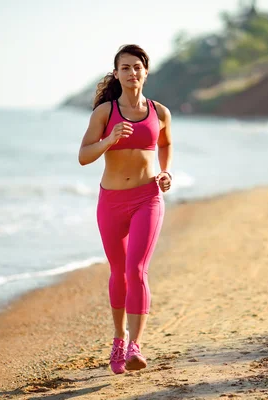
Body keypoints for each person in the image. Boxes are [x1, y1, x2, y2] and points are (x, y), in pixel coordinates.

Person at [78, 44, 173, 374]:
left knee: (136, 270)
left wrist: (165, 171)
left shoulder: (160, 112)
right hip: (112, 202)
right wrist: (110, 139)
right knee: (118, 272)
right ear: (116, 74)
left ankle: (135, 344)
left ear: (146, 72)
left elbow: (165, 143)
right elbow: (84, 155)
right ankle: (118, 339)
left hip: (147, 199)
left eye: (137, 67)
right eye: (125, 68)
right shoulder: (104, 113)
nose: (132, 73)